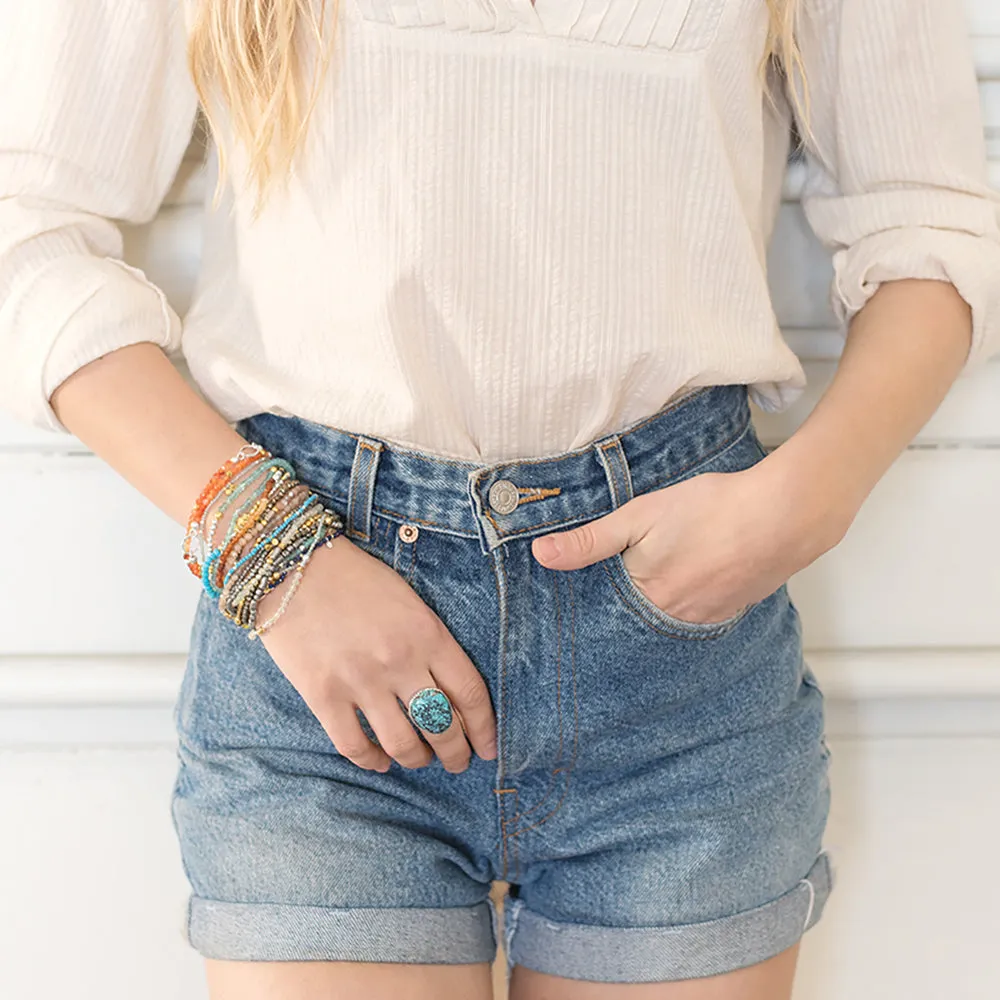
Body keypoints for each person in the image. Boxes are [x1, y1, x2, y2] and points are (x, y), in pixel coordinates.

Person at [2, 1, 998, 998]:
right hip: (320, 634)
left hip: (678, 649)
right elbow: (26, 226)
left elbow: (929, 222)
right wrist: (282, 561)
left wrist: (809, 498)